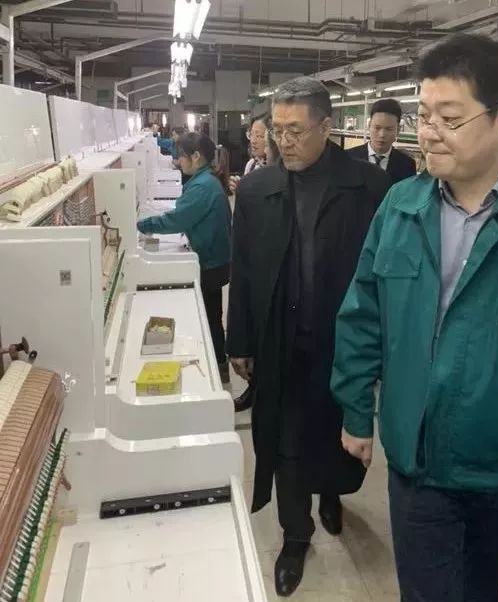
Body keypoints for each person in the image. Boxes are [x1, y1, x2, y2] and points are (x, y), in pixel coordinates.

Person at [332, 33, 498, 602]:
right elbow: (362, 313)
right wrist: (356, 408)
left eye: (450, 119)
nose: (428, 132)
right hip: (417, 462)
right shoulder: (401, 206)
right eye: (424, 115)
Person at [227, 77, 390, 596]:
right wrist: (240, 341)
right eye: (278, 130)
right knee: (287, 441)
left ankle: (332, 494)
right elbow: (243, 269)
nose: (285, 141)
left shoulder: (369, 188)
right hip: (281, 341)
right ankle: (295, 535)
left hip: (342, 345)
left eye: (296, 130)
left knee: (337, 434)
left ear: (326, 126)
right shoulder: (258, 190)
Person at [137, 133, 232, 385]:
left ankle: (217, 367)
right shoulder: (206, 181)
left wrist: (142, 225)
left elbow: (177, 219)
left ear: (196, 157)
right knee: (212, 314)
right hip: (215, 259)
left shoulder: (202, 187)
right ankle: (219, 364)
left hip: (211, 263)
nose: (178, 161)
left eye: (181, 156)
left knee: (210, 316)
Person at [232, 118, 280, 414]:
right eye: (253, 134)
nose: (255, 140)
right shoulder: (252, 167)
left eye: (261, 135)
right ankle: (255, 387)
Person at [347, 98, 417, 184]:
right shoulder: (348, 158)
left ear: (398, 130)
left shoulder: (407, 165)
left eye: (389, 129)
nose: (382, 135)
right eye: (377, 128)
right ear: (369, 126)